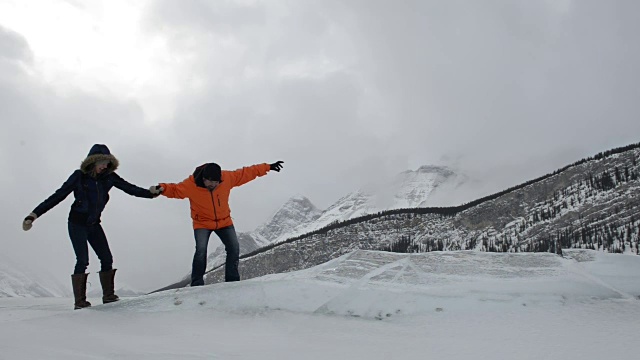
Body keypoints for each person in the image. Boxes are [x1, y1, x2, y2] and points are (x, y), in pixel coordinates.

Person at [22, 144, 162, 309]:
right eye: (102, 162)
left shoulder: (109, 177)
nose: (105, 166)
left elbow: (130, 188)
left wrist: (151, 193)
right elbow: (58, 196)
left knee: (107, 258)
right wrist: (34, 215)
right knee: (82, 260)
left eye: (107, 162)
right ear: (92, 162)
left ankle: (108, 296)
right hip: (77, 223)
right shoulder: (79, 176)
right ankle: (80, 302)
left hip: (94, 224)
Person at [154, 160, 284, 286]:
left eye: (215, 182)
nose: (211, 185)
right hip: (202, 223)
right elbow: (175, 190)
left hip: (224, 222)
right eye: (208, 181)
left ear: (219, 180)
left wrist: (268, 167)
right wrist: (162, 188)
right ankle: (197, 284)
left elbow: (246, 172)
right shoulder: (191, 184)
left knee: (234, 248)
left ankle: (232, 282)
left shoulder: (227, 178)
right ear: (203, 179)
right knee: (201, 250)